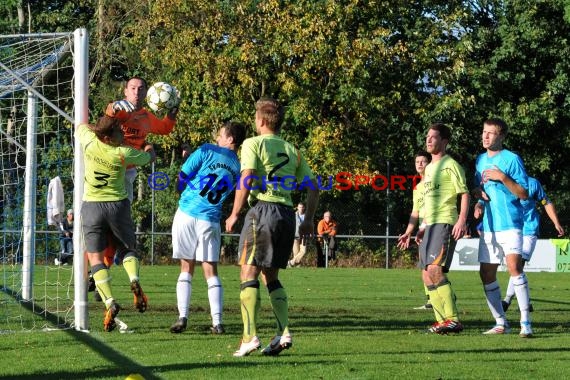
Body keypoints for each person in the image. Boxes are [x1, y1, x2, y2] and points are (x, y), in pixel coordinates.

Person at [225, 97, 319, 357]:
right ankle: (283, 332)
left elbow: (247, 178)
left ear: (262, 121)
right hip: (286, 214)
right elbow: (313, 185)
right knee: (271, 276)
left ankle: (249, 337)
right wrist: (309, 219)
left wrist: (234, 213)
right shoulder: (292, 149)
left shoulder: (253, 144)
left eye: (256, 118)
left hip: (263, 211)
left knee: (248, 273)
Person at [77, 115, 155, 332]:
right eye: (119, 131)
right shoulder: (123, 153)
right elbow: (149, 158)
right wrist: (149, 146)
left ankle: (110, 302)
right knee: (127, 248)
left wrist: (96, 126)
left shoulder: (90, 142)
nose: (123, 134)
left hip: (92, 206)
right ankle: (134, 279)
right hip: (117, 206)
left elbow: (82, 127)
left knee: (95, 258)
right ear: (109, 137)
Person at [169, 121, 246, 335]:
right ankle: (217, 322)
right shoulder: (239, 166)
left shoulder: (206, 150)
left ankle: (183, 317)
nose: (217, 139)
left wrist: (181, 188)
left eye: (221, 135)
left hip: (186, 213)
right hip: (210, 218)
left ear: (230, 139)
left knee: (186, 267)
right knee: (211, 270)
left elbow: (183, 176)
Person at [472, 118, 532, 337]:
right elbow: (480, 189)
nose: (486, 136)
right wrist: (478, 199)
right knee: (486, 273)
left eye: (491, 133)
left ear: (502, 136)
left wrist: (503, 177)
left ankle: (526, 322)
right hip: (489, 225)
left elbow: (524, 193)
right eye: (484, 132)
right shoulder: (479, 160)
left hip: (511, 224)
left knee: (514, 268)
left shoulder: (512, 159)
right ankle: (501, 322)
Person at [416, 123, 469, 334]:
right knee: (426, 275)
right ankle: (441, 321)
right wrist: (423, 226)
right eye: (427, 136)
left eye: (433, 137)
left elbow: (463, 193)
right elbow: (429, 201)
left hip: (445, 221)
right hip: (430, 225)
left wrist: (462, 220)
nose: (429, 140)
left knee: (435, 269)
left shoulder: (451, 165)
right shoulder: (428, 169)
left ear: (444, 142)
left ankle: (453, 319)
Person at [105, 76, 178, 203]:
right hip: (108, 167)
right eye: (132, 88)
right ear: (125, 91)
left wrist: (173, 112)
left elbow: (165, 128)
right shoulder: (119, 110)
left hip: (128, 171)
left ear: (146, 93)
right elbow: (104, 123)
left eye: (140, 89)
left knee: (123, 209)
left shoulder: (147, 117)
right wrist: (113, 107)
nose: (136, 92)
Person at [502, 176, 565, 312]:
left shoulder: (532, 183)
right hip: (511, 228)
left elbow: (546, 202)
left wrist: (556, 223)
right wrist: (479, 204)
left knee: (518, 264)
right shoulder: (503, 181)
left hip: (529, 229)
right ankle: (526, 301)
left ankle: (506, 300)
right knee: (515, 266)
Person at [396, 151, 432, 310]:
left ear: (429, 163)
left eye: (423, 161)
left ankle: (442, 296)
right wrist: (408, 232)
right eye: (417, 161)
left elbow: (433, 208)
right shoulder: (417, 187)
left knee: (432, 266)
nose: (419, 164)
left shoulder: (434, 183)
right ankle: (432, 299)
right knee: (424, 265)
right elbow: (415, 211)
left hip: (433, 226)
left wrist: (423, 226)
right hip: (422, 228)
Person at [287, 203, 307, 267]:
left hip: (304, 236)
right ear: (297, 208)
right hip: (295, 236)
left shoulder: (307, 216)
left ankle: (290, 262)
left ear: (304, 208)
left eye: (302, 207)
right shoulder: (293, 215)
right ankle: (297, 267)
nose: (301, 208)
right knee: (296, 253)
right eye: (299, 207)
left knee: (303, 251)